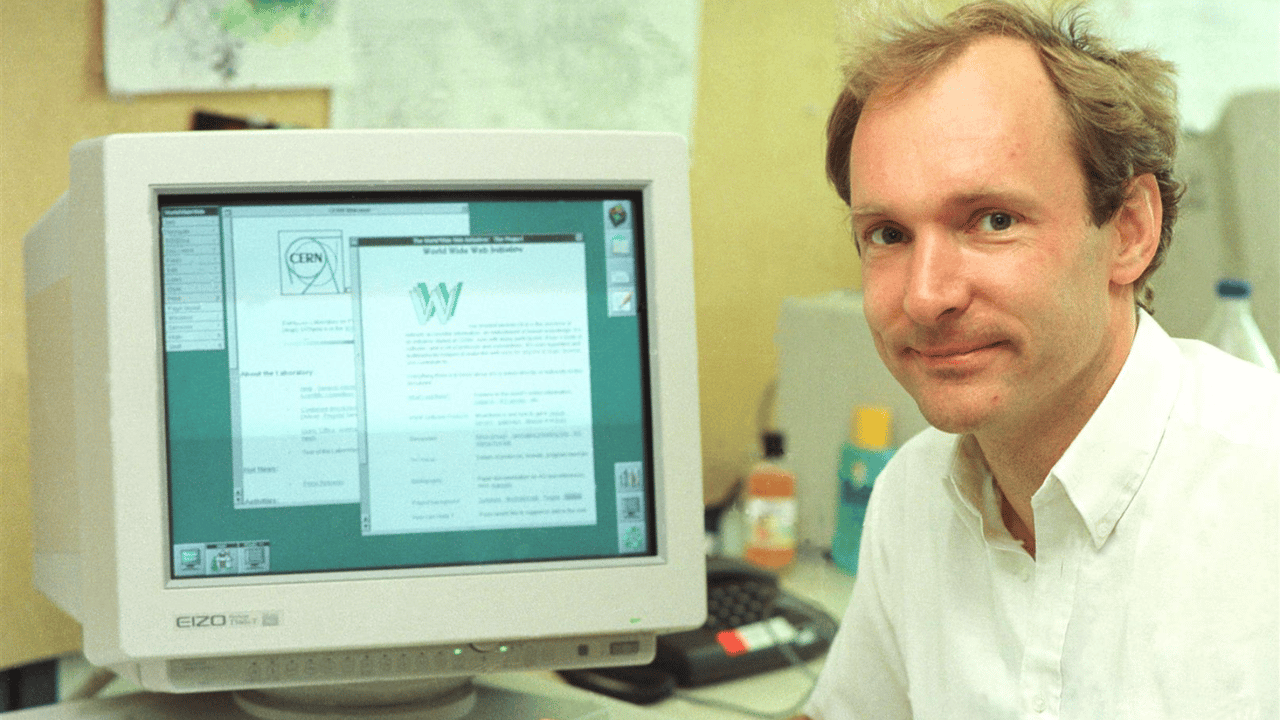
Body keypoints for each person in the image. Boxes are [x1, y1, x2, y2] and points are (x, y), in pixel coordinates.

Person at [796, 1, 1280, 718]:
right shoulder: (912, 497)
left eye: (993, 220)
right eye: (889, 233)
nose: (926, 298)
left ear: (1130, 232)